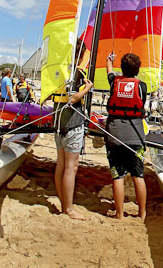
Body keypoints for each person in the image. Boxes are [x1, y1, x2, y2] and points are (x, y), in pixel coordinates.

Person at [53, 38, 93, 220]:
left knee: (61, 164)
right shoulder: (75, 73)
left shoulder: (59, 71)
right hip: (71, 124)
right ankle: (68, 208)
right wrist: (88, 88)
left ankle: (64, 203)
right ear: (80, 54)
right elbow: (73, 98)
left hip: (58, 123)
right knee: (71, 166)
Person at [105, 52, 147, 220]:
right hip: (135, 136)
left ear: (121, 69)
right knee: (138, 175)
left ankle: (120, 214)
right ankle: (142, 213)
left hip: (114, 135)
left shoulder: (114, 81)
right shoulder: (141, 87)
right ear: (137, 70)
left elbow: (109, 71)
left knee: (118, 176)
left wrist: (109, 61)